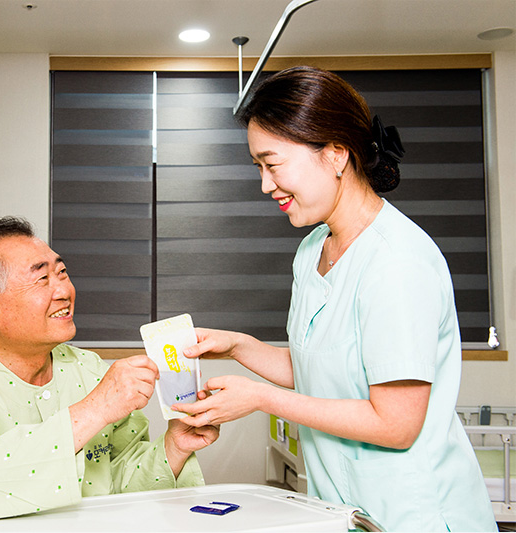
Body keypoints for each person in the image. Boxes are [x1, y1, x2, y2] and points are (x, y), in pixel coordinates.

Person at [174, 66, 496, 532]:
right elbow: (324, 369)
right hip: (346, 511)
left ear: (336, 153)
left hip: (416, 515)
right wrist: (240, 346)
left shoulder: (396, 261)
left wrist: (261, 398)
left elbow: (395, 424)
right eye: (258, 167)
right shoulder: (312, 251)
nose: (265, 184)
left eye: (272, 164)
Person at [0, 216, 218, 521]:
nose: (64, 291)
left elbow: (121, 486)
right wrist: (96, 408)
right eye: (42, 279)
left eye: (61, 272)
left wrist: (173, 447)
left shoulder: (89, 369)